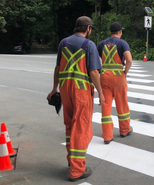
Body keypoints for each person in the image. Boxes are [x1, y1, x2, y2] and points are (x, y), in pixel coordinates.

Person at [47, 16, 105, 182]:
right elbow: (94, 72)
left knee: (70, 125)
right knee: (81, 126)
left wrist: (54, 88)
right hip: (81, 91)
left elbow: (58, 68)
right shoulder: (89, 45)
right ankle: (77, 169)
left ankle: (71, 161)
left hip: (66, 89)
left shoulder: (63, 43)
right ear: (88, 28)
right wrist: (101, 93)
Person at [97, 22, 133, 144]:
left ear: (111, 31)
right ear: (120, 32)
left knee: (106, 106)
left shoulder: (102, 44)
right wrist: (125, 72)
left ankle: (107, 136)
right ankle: (124, 129)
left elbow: (96, 59)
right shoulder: (122, 43)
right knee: (122, 104)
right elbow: (129, 59)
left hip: (104, 77)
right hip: (118, 78)